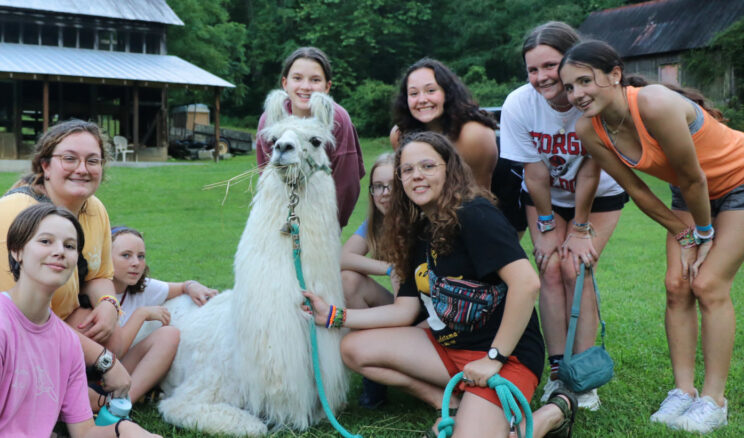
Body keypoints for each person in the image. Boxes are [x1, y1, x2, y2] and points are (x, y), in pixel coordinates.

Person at [306, 132, 576, 438]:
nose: (416, 176)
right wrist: (333, 316)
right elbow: (405, 310)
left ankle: (553, 412)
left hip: (505, 356)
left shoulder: (474, 214)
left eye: (427, 166)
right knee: (354, 348)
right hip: (448, 348)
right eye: (407, 170)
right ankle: (453, 404)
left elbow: (527, 283)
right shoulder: (416, 228)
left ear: (449, 169)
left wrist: (494, 358)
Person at [560, 40, 744, 434]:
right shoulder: (588, 129)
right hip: (688, 193)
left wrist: (704, 235)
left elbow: (695, 176)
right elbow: (639, 190)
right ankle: (683, 391)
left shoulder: (655, 104)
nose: (576, 94)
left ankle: (714, 401)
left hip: (738, 180)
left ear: (614, 75)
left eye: (583, 81)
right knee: (677, 285)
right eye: (569, 87)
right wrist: (683, 233)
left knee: (708, 283)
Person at [0, 119, 145, 409]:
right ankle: (81, 400)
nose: (82, 169)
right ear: (45, 166)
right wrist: (105, 361)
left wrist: (107, 303)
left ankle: (68, 394)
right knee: (97, 352)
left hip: (41, 317)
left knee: (108, 332)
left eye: (93, 160)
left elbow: (99, 273)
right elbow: (17, 319)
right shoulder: (14, 217)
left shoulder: (94, 209)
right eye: (69, 158)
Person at [0, 203, 160, 438]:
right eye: (45, 241)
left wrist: (124, 430)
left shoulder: (66, 341)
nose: (59, 251)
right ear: (17, 251)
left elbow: (85, 432)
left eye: (69, 245)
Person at [499, 22, 628, 411]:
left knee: (577, 267)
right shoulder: (519, 104)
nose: (540, 78)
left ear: (573, 62)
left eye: (550, 66)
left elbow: (591, 169)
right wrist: (545, 226)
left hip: (599, 193)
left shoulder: (592, 99)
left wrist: (581, 228)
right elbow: (534, 171)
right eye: (532, 70)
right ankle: (558, 373)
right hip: (546, 198)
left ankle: (583, 376)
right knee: (550, 267)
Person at [255, 46, 365, 229]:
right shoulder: (271, 119)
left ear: (327, 86)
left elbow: (346, 182)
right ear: (285, 83)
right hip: (281, 216)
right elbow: (267, 172)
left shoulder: (337, 120)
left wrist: (331, 227)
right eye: (297, 78)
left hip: (322, 217)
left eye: (315, 80)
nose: (305, 87)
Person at [339, 153, 397, 408]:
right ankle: (372, 379)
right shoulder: (377, 222)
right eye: (378, 187)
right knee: (349, 280)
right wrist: (389, 269)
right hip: (402, 303)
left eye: (392, 185)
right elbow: (343, 258)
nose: (384, 193)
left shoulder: (423, 218)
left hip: (431, 312)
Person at [107, 226, 216, 360]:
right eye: (126, 255)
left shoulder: (143, 287)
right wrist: (141, 314)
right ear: (105, 257)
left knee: (168, 335)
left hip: (124, 366)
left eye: (141, 256)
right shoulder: (93, 294)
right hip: (95, 369)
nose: (136, 263)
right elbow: (114, 351)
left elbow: (182, 287)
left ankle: (134, 382)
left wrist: (192, 285)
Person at [390, 58, 498, 190]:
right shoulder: (400, 135)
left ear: (447, 93)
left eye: (431, 91)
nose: (422, 100)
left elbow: (481, 196)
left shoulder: (473, 134)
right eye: (413, 93)